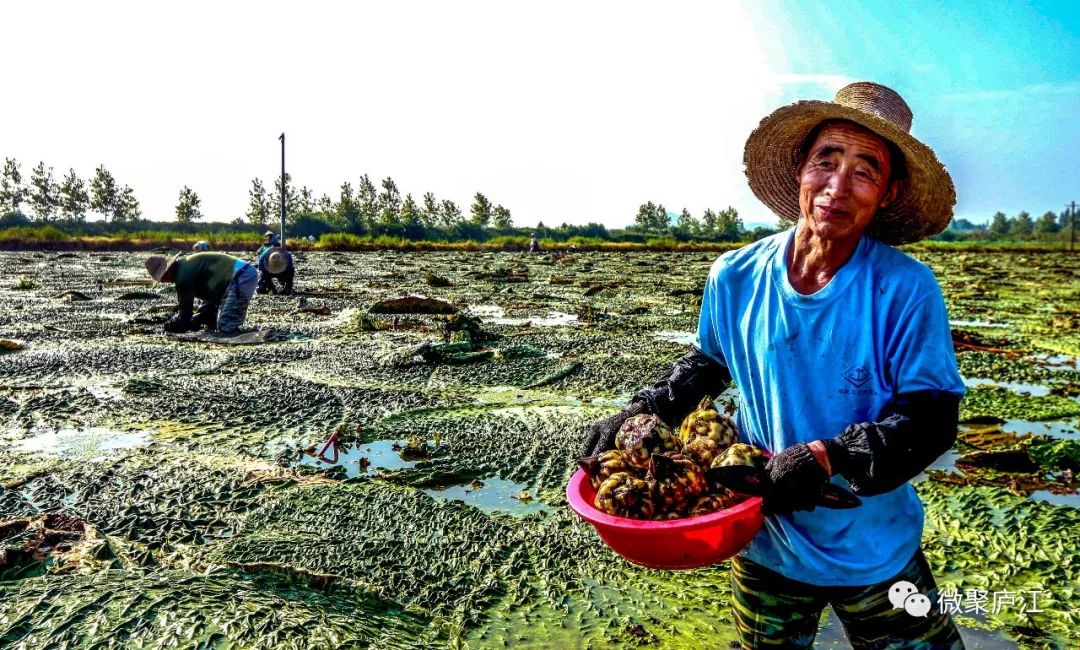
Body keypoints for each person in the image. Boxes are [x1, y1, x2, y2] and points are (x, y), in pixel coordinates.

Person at [581, 82, 965, 648]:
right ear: (799, 173)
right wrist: (645, 412)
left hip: (874, 550)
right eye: (825, 162)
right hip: (763, 537)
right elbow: (709, 363)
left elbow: (931, 418)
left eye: (864, 170)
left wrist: (825, 456)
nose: (837, 187)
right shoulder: (734, 276)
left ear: (887, 193)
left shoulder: (905, 290)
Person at [145, 251, 258, 335]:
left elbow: (184, 315)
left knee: (226, 326)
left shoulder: (182, 277)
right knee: (209, 320)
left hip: (241, 276)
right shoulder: (186, 265)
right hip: (240, 274)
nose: (164, 281)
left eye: (162, 277)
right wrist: (199, 318)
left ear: (167, 270)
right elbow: (209, 298)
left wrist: (168, 327)